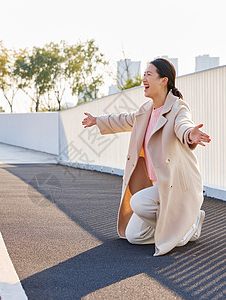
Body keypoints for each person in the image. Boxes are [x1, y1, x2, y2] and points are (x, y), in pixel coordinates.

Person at [82, 58, 211, 256]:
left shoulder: (178, 108)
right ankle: (173, 229)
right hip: (156, 186)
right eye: (144, 74)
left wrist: (190, 134)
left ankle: (189, 223)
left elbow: (183, 125)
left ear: (163, 81)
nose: (144, 78)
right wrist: (97, 120)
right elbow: (124, 120)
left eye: (149, 74)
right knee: (134, 236)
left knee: (138, 202)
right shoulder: (145, 111)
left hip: (176, 185)